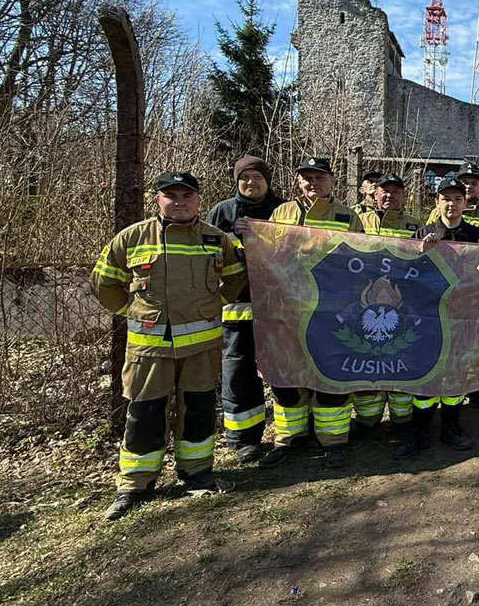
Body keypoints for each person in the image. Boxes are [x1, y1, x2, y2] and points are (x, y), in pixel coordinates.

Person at [90, 172, 247, 521]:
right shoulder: (132, 238)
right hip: (149, 349)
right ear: (158, 199)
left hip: (201, 347)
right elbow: (103, 282)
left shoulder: (216, 238)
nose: (180, 202)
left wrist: (218, 303)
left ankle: (197, 472)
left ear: (199, 200)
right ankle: (135, 484)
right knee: (144, 413)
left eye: (187, 196)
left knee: (198, 410)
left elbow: (237, 275)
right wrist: (131, 311)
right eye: (171, 196)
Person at [259, 156, 363, 468]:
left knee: (331, 375)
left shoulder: (348, 217)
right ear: (298, 181)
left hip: (332, 311)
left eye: (320, 177)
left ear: (332, 181)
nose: (313, 182)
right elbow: (265, 256)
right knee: (287, 376)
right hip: (288, 309)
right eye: (307, 177)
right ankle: (289, 438)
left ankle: (333, 440)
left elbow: (361, 263)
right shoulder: (281, 214)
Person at [412, 176, 479, 452]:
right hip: (429, 317)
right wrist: (421, 251)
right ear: (437, 202)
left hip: (463, 316)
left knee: (456, 375)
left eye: (457, 199)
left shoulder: (475, 236)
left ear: (465, 204)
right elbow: (406, 273)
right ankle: (419, 430)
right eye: (446, 199)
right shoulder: (422, 233)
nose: (451, 204)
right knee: (426, 375)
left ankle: (451, 427)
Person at [205, 155, 283, 462]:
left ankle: (293, 432)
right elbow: (207, 254)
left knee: (284, 370)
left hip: (279, 307)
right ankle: (243, 439)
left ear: (267, 181)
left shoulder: (283, 210)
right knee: (238, 372)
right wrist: (236, 238)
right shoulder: (222, 212)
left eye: (258, 177)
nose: (251, 183)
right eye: (244, 178)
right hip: (237, 309)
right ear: (236, 181)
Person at [354, 174, 420, 453]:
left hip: (402, 305)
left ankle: (402, 419)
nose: (390, 195)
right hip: (363, 304)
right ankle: (368, 419)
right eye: (384, 190)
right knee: (365, 358)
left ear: (404, 195)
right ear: (374, 193)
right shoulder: (357, 220)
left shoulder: (415, 225)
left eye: (396, 191)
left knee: (400, 359)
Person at [427, 163, 479, 247]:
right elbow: (426, 237)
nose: (469, 186)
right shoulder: (438, 212)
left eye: (474, 183)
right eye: (465, 182)